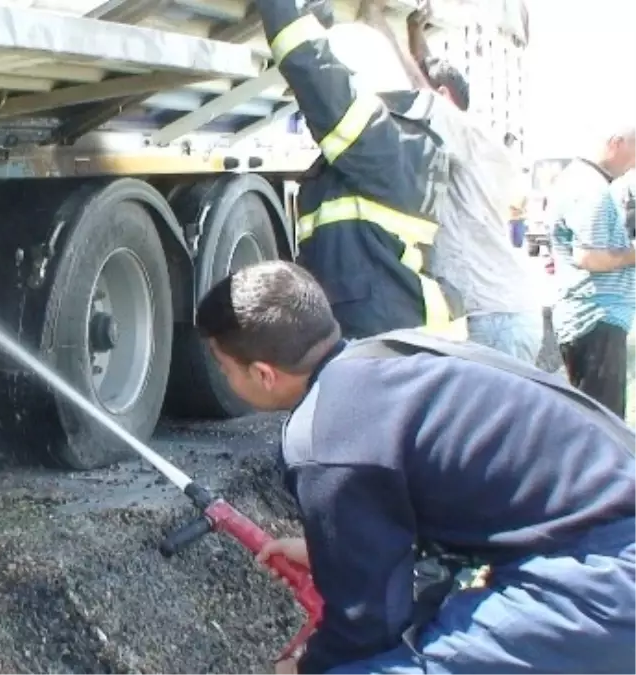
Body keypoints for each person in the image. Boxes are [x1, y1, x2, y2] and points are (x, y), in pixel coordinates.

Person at [195, 260, 636, 675]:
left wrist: (307, 667)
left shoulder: (324, 435)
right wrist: (334, 555)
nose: (225, 379)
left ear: (263, 373)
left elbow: (367, 624)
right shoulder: (390, 360)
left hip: (601, 578)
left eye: (224, 367)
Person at [257, 0, 460, 340]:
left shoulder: (384, 144)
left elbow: (312, 72)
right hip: (405, 333)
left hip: (396, 342)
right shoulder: (402, 144)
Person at [358, 0, 544, 363]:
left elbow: (420, 91)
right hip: (500, 312)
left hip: (493, 319)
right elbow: (429, 85)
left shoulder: (467, 135)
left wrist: (377, 21)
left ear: (443, 99)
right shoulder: (472, 139)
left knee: (484, 418)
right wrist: (415, 34)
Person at [548, 124, 636, 417]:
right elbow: (589, 256)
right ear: (617, 143)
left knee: (591, 418)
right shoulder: (590, 189)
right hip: (596, 319)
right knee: (605, 425)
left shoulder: (578, 180)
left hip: (591, 318)